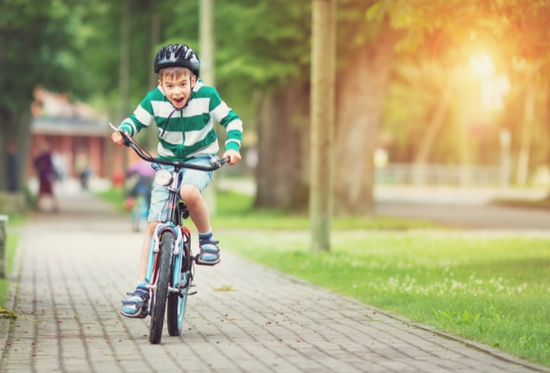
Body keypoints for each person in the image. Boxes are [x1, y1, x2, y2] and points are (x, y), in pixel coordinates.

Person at [110, 43, 243, 318]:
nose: (176, 92)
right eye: (169, 86)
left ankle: (207, 240)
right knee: (153, 226)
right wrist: (124, 131)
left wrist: (232, 146)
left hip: (200, 159)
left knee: (189, 191)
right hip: (167, 162)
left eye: (183, 84)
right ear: (161, 84)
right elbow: (136, 120)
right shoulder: (154, 99)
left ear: (193, 80)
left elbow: (232, 120)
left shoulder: (207, 95)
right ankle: (142, 289)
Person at [33, 141, 60, 212]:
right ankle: (38, 206)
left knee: (50, 193)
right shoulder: (40, 156)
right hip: (42, 177)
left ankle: (55, 206)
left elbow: (49, 166)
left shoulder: (47, 156)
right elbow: (35, 164)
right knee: (41, 193)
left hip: (47, 177)